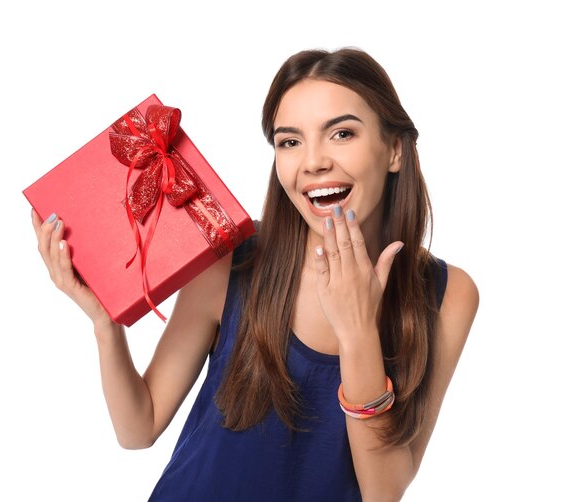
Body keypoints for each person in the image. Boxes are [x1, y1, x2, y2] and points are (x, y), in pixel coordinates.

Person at [32, 47, 479, 501]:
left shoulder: (448, 294)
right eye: (290, 141)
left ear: (395, 151)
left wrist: (358, 330)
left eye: (341, 133)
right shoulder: (231, 257)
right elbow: (139, 428)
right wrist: (105, 322)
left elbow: (384, 491)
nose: (313, 162)